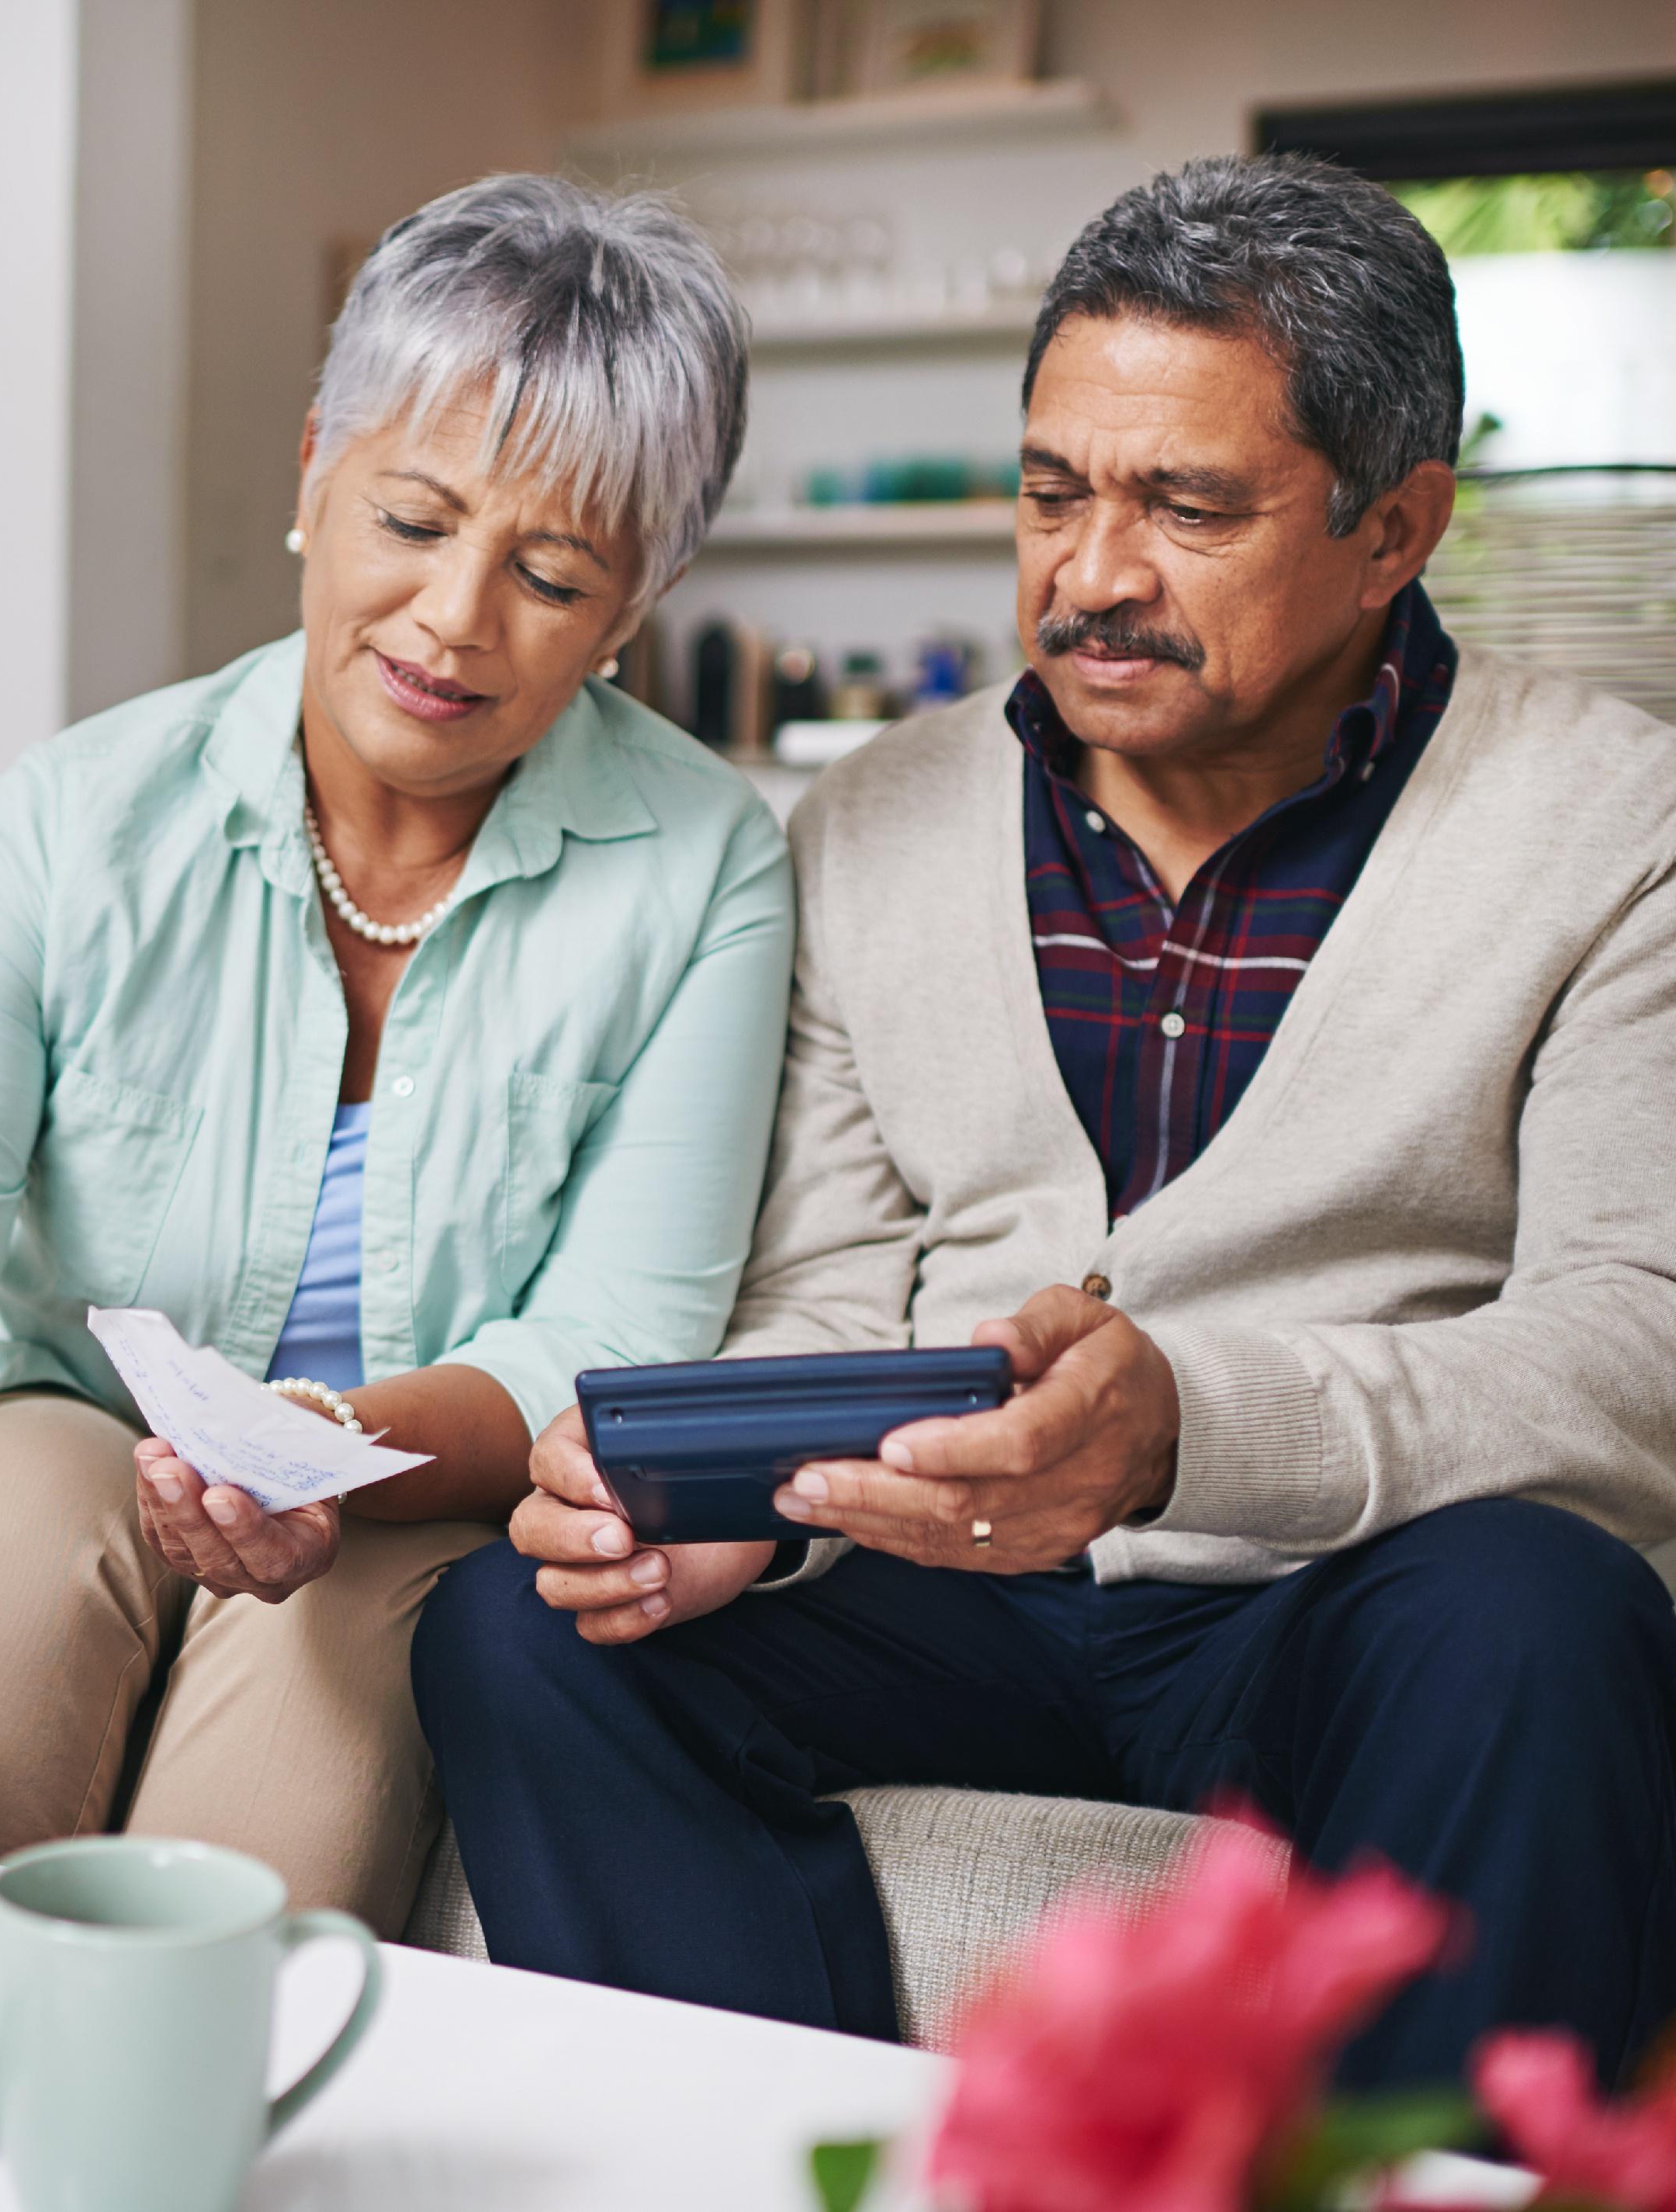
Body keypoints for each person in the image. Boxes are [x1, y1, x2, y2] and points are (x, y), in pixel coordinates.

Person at [415, 151, 1676, 2087]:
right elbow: (834, 1282)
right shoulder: (866, 822)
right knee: (515, 1630)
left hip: (1332, 1596)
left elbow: (1631, 1343)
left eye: (1185, 507)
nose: (1091, 575)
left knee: (1539, 1614)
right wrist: (733, 1518)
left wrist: (1187, 1429)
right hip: (944, 1592)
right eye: (1050, 492)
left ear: (1393, 526)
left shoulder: (1613, 824)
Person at [0, 174, 791, 1931]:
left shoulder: (705, 863)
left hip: (401, 1485)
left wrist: (314, 1448)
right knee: (11, 1534)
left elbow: (610, 1338)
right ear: (313, 470)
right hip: (64, 1439)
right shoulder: (62, 830)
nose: (455, 619)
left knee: (265, 1826)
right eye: (411, 516)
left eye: (548, 573)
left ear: (634, 608)